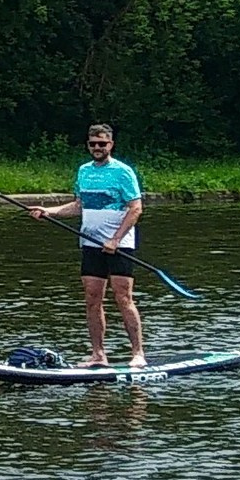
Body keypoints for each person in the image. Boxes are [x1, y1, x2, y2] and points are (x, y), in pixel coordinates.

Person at [30, 123, 146, 367]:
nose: (97, 147)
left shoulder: (123, 172)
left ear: (110, 145)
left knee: (123, 297)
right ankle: (98, 354)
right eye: (93, 144)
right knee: (92, 298)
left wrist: (115, 239)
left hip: (119, 244)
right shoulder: (83, 171)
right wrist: (49, 211)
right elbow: (78, 205)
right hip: (90, 244)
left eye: (102, 143)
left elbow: (136, 208)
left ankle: (137, 354)